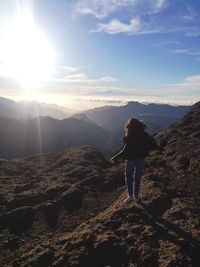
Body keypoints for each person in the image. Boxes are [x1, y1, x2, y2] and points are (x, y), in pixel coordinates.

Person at [111, 118, 157, 203]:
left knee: (128, 176)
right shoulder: (144, 134)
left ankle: (130, 196)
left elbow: (125, 150)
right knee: (137, 178)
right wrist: (159, 148)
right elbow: (151, 144)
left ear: (129, 126)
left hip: (130, 159)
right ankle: (136, 196)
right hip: (141, 159)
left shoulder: (129, 136)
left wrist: (115, 157)